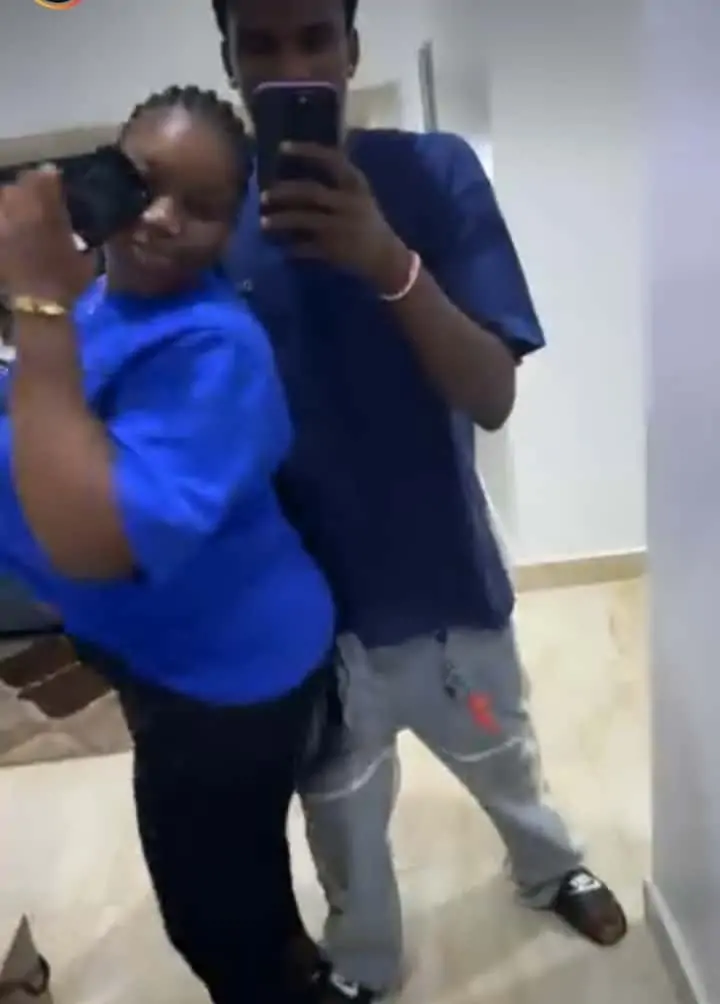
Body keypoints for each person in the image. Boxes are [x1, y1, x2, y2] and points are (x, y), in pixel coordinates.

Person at [210, 0, 630, 1000]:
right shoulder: (205, 216)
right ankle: (364, 961)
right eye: (258, 43)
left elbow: (492, 393)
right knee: (341, 818)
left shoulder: (436, 174)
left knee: (501, 748)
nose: (289, 63)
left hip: (446, 592)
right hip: (311, 623)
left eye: (314, 36)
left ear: (351, 48)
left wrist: (385, 260)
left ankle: (549, 870)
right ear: (227, 60)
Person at [0, 85, 336, 1004]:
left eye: (203, 206)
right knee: (244, 869)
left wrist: (36, 306)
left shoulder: (216, 347)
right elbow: (40, 420)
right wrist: (44, 309)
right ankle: (293, 964)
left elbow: (98, 539)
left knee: (206, 914)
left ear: (234, 226)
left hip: (231, 680)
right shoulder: (98, 303)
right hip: (169, 662)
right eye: (142, 184)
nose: (160, 218)